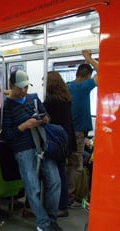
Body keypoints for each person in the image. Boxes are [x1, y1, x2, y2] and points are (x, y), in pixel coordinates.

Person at [2, 70, 62, 231]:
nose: (23, 91)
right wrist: (24, 126)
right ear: (11, 86)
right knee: (33, 188)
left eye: (26, 87)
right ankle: (43, 224)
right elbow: (7, 134)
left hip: (42, 145)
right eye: (20, 88)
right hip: (23, 150)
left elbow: (47, 117)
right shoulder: (7, 106)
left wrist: (44, 119)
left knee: (55, 182)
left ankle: (51, 219)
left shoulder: (34, 99)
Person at [66, 50, 98, 207]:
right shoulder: (85, 87)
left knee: (66, 164)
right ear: (87, 77)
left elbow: (86, 74)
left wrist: (85, 63)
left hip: (66, 132)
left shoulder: (68, 86)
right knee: (76, 165)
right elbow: (104, 72)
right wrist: (89, 59)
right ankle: (69, 197)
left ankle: (63, 195)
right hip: (79, 133)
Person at [44, 71, 77, 218]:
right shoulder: (66, 99)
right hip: (67, 142)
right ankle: (61, 205)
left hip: (56, 143)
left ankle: (59, 206)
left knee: (55, 177)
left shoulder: (51, 102)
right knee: (62, 174)